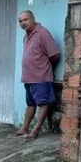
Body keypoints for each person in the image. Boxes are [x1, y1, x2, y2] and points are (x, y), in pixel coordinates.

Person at [17, 10, 61, 141]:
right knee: (30, 104)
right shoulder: (26, 36)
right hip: (28, 78)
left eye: (25, 20)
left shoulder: (42, 33)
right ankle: (24, 128)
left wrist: (43, 68)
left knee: (43, 103)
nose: (23, 23)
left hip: (41, 77)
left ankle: (36, 130)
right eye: (20, 21)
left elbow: (55, 55)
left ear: (33, 19)